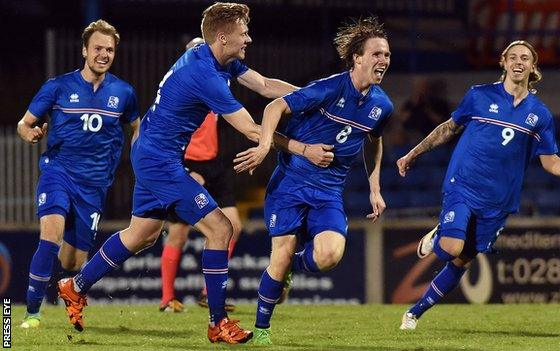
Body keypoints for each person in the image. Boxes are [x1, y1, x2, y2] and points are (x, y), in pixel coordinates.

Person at [56, 2, 332, 344]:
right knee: (221, 228)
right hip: (160, 160)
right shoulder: (205, 75)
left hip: (152, 152)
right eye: (243, 33)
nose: (248, 38)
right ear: (222, 38)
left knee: (142, 233)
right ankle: (218, 322)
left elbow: (262, 84)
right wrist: (304, 150)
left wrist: (316, 94)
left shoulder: (212, 55)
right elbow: (249, 129)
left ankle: (75, 285)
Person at [396, 40, 560, 330]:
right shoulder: (479, 96)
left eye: (526, 58)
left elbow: (550, 161)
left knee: (463, 259)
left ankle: (414, 313)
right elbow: (448, 129)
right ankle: (442, 230)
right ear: (503, 62)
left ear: (533, 67)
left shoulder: (539, 115)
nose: (519, 62)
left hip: (498, 201)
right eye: (514, 57)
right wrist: (413, 153)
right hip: (464, 185)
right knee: (452, 247)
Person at [234, 16, 392, 345]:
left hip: (329, 192)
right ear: (357, 58)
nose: (384, 60)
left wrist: (375, 187)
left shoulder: (382, 105)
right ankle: (262, 332)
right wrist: (266, 146)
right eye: (377, 54)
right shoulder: (329, 88)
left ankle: (291, 265)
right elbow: (275, 106)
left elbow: (374, 140)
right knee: (278, 257)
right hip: (290, 183)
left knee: (330, 255)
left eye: (387, 55)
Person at [15, 20, 140, 329]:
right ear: (85, 50)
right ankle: (32, 314)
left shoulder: (124, 93)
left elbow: (137, 128)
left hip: (95, 185)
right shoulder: (57, 87)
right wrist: (30, 133)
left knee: (73, 262)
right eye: (98, 48)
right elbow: (24, 123)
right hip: (58, 171)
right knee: (51, 234)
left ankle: (68, 290)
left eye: (110, 49)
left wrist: (141, 159)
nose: (104, 54)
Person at [158, 37, 241, 315]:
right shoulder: (183, 83)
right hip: (187, 163)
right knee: (178, 234)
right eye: (194, 49)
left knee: (234, 226)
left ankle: (208, 293)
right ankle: (168, 298)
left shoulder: (216, 80)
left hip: (214, 165)